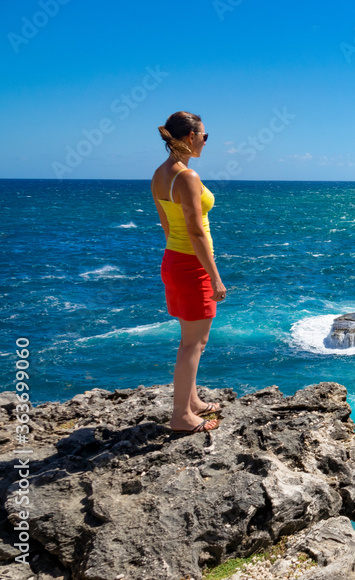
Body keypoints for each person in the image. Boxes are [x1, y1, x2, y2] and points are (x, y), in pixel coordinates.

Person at [151, 111, 226, 433]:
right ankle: (181, 416)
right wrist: (215, 277)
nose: (206, 142)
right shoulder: (188, 177)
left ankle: (191, 400)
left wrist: (181, 260)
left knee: (194, 338)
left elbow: (168, 226)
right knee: (192, 344)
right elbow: (196, 233)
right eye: (204, 136)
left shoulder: (159, 174)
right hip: (192, 265)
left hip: (173, 260)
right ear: (190, 138)